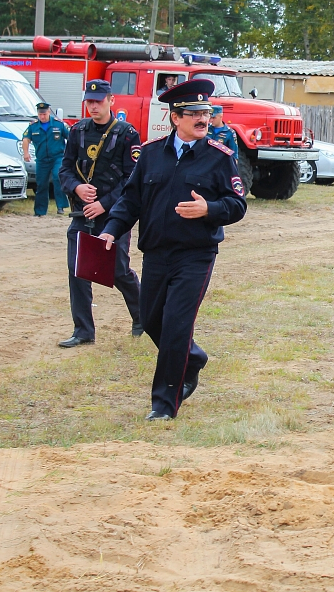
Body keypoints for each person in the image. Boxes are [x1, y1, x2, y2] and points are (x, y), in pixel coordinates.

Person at [99, 79, 247, 421]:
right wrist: (111, 231)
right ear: (175, 118)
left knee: (177, 325)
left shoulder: (219, 158)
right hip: (156, 253)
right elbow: (130, 200)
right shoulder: (151, 154)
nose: (203, 119)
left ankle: (163, 404)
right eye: (194, 113)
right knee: (150, 319)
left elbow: (237, 205)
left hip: (196, 255)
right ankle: (192, 358)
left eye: (206, 113)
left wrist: (209, 209)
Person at [57, 79, 143, 348]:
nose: (94, 106)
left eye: (99, 101)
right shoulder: (78, 131)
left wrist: (105, 203)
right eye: (90, 102)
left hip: (114, 215)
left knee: (118, 271)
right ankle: (83, 331)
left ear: (111, 101)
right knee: (77, 270)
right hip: (83, 213)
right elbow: (65, 170)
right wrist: (77, 187)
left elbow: (132, 179)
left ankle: (142, 317)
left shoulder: (127, 134)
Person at [23, 102, 70, 216]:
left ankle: (61, 206)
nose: (42, 116)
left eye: (44, 114)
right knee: (41, 184)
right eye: (40, 114)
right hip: (42, 159)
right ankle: (40, 211)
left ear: (49, 112)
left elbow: (70, 138)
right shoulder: (33, 126)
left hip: (57, 157)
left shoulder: (59, 125)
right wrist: (26, 153)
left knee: (57, 177)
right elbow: (26, 139)